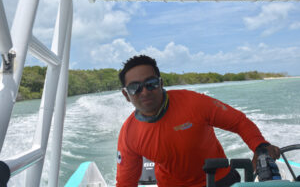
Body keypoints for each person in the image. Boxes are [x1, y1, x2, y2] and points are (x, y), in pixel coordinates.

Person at [116, 55, 280, 187]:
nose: (144, 91)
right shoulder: (129, 134)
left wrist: (259, 145)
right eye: (134, 87)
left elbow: (238, 121)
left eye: (150, 83)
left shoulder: (194, 102)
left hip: (220, 180)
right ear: (126, 95)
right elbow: (126, 182)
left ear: (161, 83)